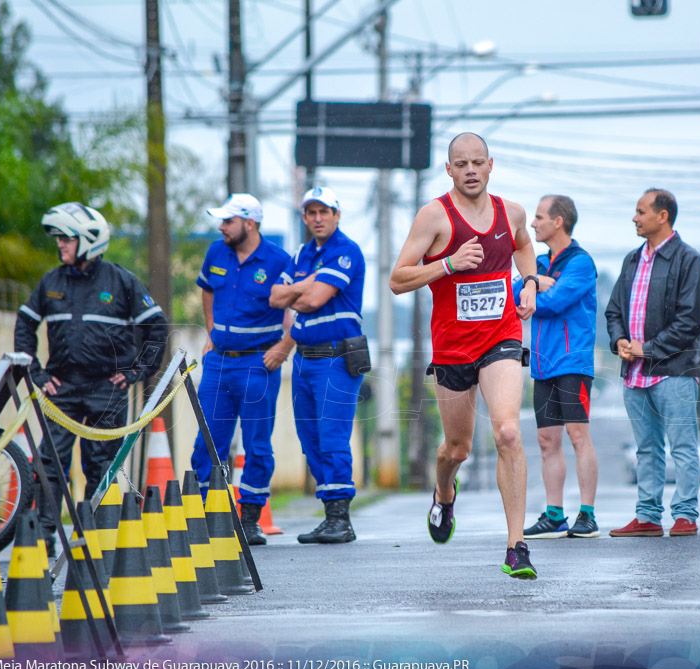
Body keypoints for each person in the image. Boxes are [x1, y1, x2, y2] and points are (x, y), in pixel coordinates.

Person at [389, 133, 539, 579]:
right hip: (453, 347)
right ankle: (443, 494)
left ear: (491, 165)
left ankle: (516, 548)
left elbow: (524, 246)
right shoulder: (434, 216)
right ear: (448, 169)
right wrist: (449, 264)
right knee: (457, 448)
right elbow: (398, 279)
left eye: (478, 162)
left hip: (501, 337)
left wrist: (529, 283)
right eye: (461, 163)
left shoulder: (511, 211)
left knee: (509, 433)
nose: (470, 170)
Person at [15, 202, 167, 555]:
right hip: (61, 388)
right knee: (50, 463)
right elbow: (25, 325)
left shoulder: (122, 280)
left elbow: (156, 327)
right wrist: (36, 373)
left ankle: (97, 536)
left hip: (106, 389)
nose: (60, 246)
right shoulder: (50, 282)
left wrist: (137, 372)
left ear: (88, 240)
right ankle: (45, 535)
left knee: (100, 463)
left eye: (66, 239)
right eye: (58, 239)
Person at [190, 193, 294, 545]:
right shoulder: (216, 252)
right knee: (207, 443)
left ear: (249, 223)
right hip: (218, 363)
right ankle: (207, 514)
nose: (221, 227)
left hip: (258, 363)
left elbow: (301, 306)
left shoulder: (280, 260)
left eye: (228, 221)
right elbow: (206, 290)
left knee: (257, 446)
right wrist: (210, 332)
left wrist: (284, 346)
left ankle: (249, 518)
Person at [605, 189, 700, 538]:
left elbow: (691, 320)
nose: (635, 218)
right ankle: (647, 516)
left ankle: (685, 514)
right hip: (635, 374)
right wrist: (619, 340)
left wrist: (647, 349)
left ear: (662, 216)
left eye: (641, 211)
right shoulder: (632, 260)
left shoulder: (687, 259)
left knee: (682, 446)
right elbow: (614, 310)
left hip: (674, 372)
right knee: (646, 449)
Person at [270, 187, 367, 544]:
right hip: (305, 359)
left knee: (332, 438)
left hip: (336, 358)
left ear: (336, 215)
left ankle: (341, 519)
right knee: (310, 440)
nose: (317, 218)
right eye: (311, 212)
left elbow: (310, 301)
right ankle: (330, 515)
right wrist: (308, 282)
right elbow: (275, 297)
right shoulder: (302, 253)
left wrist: (299, 286)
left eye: (324, 211)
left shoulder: (346, 251)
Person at [513, 195, 600, 539]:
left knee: (579, 437)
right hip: (542, 364)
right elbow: (514, 290)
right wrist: (532, 282)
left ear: (558, 221)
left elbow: (553, 302)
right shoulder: (538, 262)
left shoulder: (580, 263)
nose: (532, 224)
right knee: (547, 441)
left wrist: (532, 289)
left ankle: (588, 514)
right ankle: (554, 515)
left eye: (538, 217)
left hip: (572, 361)